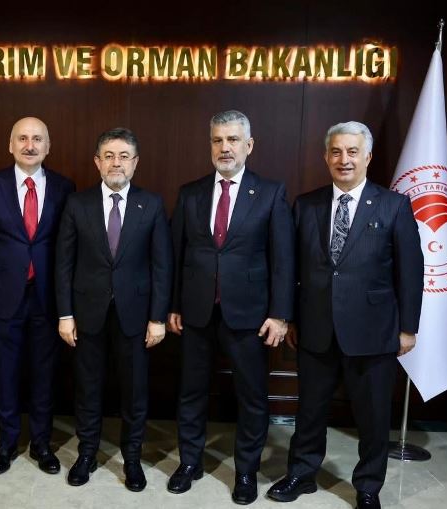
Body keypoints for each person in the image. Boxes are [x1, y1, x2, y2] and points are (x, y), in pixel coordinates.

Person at [267, 121, 423, 509]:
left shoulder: (394, 205)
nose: (344, 159)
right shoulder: (306, 205)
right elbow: (291, 268)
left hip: (373, 331)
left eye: (353, 151)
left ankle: (368, 487)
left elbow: (410, 271)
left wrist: (408, 328)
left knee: (372, 416)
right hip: (315, 329)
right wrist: (289, 317)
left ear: (367, 156)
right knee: (310, 411)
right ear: (326, 157)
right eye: (336, 151)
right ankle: (301, 474)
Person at [168, 110, 295, 504]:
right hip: (196, 312)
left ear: (249, 145)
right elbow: (176, 254)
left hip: (249, 315)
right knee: (191, 392)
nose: (225, 148)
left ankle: (246, 471)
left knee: (252, 397)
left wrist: (280, 314)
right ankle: (189, 462)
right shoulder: (190, 193)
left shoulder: (270, 192)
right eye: (218, 140)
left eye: (233, 140)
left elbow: (283, 259)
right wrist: (173, 305)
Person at [55, 127, 172, 491]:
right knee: (88, 389)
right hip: (86, 314)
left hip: (135, 316)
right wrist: (65, 314)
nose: (116, 163)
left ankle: (132, 458)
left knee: (134, 392)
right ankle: (87, 453)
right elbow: (63, 264)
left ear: (135, 163)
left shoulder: (151, 204)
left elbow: (162, 266)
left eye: (123, 156)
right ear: (97, 162)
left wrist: (157, 318)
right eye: (108, 156)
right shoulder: (77, 204)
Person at [0, 117, 74, 475]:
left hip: (47, 299)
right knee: (6, 373)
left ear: (48, 146)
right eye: (23, 138)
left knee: (45, 375)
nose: (30, 145)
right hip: (2, 298)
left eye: (37, 139)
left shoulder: (64, 187)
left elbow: (68, 247)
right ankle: (7, 443)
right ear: (10, 145)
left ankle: (42, 444)